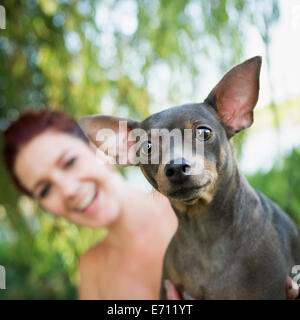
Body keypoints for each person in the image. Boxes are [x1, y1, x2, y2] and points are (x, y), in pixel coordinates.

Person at [3, 109, 298, 300]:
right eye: (44, 189)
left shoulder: (218, 209)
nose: (67, 189)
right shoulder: (91, 268)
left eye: (69, 162)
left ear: (103, 147)